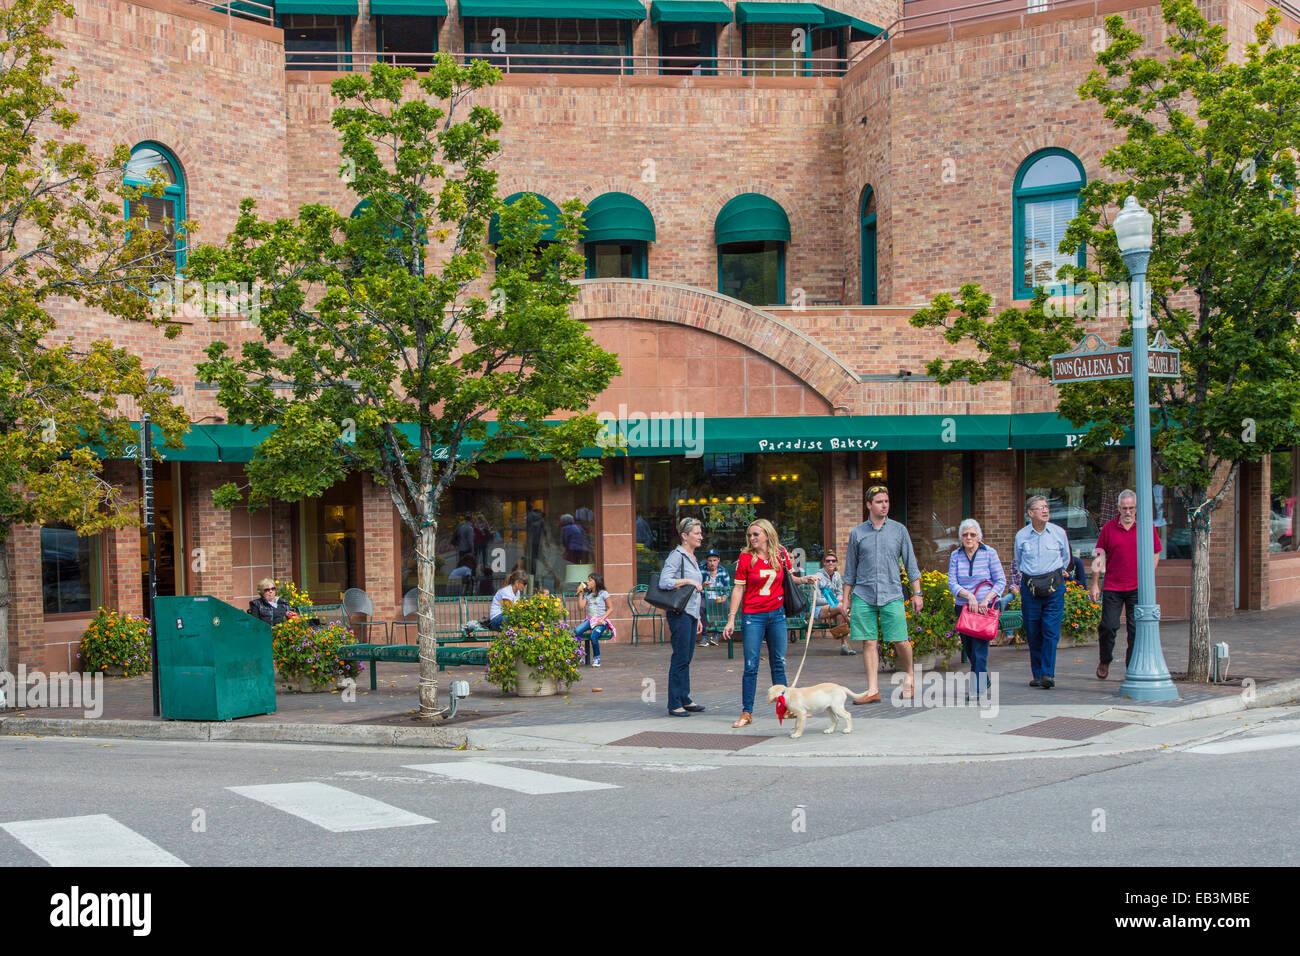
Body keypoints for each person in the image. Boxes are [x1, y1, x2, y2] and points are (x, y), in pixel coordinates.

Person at [722, 519, 815, 728]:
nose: (752, 538)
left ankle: (786, 709)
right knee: (751, 665)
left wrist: (806, 579)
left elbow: (789, 579)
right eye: (749, 535)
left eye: (756, 534)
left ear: (766, 534)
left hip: (777, 615)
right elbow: (738, 589)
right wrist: (731, 618)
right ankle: (747, 712)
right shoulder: (746, 557)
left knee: (778, 662)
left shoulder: (780, 553)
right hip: (753, 616)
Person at [843, 485, 923, 703]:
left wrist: (917, 593)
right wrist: (846, 598)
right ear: (869, 505)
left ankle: (909, 676)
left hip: (892, 593)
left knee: (899, 640)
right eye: (879, 502)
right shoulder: (857, 533)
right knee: (868, 642)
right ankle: (872, 690)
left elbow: (911, 564)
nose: (884, 505)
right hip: (863, 594)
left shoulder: (899, 531)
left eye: (886, 501)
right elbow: (850, 569)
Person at [1091, 489, 1163, 679]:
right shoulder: (1108, 528)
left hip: (1137, 588)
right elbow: (1099, 555)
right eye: (1124, 508)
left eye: (1131, 508)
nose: (1128, 512)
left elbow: (1155, 553)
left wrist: (1148, 577)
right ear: (1118, 508)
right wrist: (1095, 583)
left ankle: (1131, 667)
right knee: (1108, 626)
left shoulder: (1147, 527)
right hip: (1113, 586)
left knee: (1135, 629)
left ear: (1137, 508)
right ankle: (1105, 659)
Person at [1014, 494, 1072, 689]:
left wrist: (1053, 576)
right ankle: (1037, 674)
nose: (1045, 510)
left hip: (1054, 587)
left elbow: (1065, 558)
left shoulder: (1058, 533)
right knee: (1033, 631)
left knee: (1050, 630)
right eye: (1040, 508)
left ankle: (1048, 673)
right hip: (1030, 588)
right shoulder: (1021, 535)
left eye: (1046, 507)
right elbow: (1019, 561)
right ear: (1030, 513)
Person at [946, 519, 1006, 701]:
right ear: (960, 538)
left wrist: (986, 599)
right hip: (963, 608)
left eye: (972, 534)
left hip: (983, 610)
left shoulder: (989, 553)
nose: (969, 538)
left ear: (979, 536)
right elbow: (952, 582)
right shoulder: (955, 555)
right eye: (965, 535)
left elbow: (1000, 580)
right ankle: (984, 679)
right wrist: (969, 596)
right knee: (969, 649)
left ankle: (976, 688)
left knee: (980, 651)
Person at [659, 517, 706, 717]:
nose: (701, 536)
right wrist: (688, 581)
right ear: (685, 536)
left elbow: (694, 591)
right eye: (696, 533)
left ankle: (685, 697)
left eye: (700, 533)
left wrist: (699, 619)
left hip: (691, 613)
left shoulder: (693, 557)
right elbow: (664, 581)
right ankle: (674, 702)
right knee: (680, 657)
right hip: (679, 613)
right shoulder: (677, 555)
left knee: (686, 657)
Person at [811, 551, 854, 655]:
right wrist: (834, 601)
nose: (831, 563)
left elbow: (840, 593)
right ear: (824, 563)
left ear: (836, 563)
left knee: (841, 614)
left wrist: (837, 600)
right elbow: (816, 600)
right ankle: (856, 624)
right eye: (828, 561)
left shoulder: (837, 576)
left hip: (834, 607)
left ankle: (844, 645)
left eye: (833, 561)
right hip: (819, 609)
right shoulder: (817, 576)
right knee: (841, 607)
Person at [574, 572, 613, 667]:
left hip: (601, 621)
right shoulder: (588, 595)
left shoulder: (604, 593)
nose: (587, 582)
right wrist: (580, 595)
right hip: (590, 620)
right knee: (576, 631)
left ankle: (597, 658)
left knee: (593, 636)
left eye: (590, 580)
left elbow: (610, 608)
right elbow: (580, 607)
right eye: (587, 580)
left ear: (596, 582)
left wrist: (602, 619)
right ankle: (578, 655)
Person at [698, 548, 731, 647]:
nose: (712, 563)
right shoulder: (701, 569)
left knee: (727, 607)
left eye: (714, 560)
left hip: (718, 598)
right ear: (706, 561)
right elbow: (697, 587)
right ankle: (705, 636)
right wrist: (703, 586)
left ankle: (717, 635)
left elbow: (727, 589)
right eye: (710, 560)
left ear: (718, 560)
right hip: (705, 597)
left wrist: (725, 596)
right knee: (700, 608)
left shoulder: (723, 571)